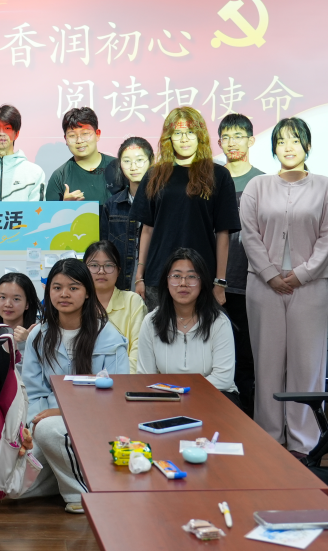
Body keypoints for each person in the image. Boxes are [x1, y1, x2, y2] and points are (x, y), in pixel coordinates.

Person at [241, 117, 328, 457]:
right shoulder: (257, 187)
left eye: (295, 140)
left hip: (309, 287)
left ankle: (305, 441)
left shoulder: (325, 187)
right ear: (273, 148)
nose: (288, 147)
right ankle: (268, 436)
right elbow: (249, 234)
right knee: (267, 364)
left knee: (306, 365)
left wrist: (303, 273)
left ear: (307, 146)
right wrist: (269, 273)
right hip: (263, 285)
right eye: (281, 141)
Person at [20, 258, 129, 513]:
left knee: (49, 430)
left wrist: (61, 413)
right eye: (57, 288)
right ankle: (74, 474)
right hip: (47, 424)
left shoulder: (109, 337)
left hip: (94, 422)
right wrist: (30, 427)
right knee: (13, 488)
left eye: (73, 287)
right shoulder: (38, 335)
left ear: (87, 292)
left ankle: (78, 494)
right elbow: (33, 393)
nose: (64, 294)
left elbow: (116, 396)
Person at [131, 106, 239, 313]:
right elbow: (147, 229)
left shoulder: (218, 175)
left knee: (201, 332)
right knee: (161, 331)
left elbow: (223, 233)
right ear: (169, 138)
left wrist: (220, 281)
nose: (184, 139)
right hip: (158, 276)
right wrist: (139, 276)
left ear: (200, 136)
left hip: (202, 276)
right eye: (177, 133)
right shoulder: (154, 175)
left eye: (190, 132)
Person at [137, 247, 239, 399]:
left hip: (214, 395)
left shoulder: (219, 322)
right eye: (176, 276)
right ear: (166, 281)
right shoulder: (151, 322)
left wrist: (181, 391)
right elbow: (146, 377)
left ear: (202, 282)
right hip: (168, 398)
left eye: (191, 276)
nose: (183, 283)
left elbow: (223, 379)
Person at [217, 113, 263, 412]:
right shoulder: (212, 178)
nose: (232, 142)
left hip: (251, 283)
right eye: (226, 137)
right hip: (214, 284)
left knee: (247, 358)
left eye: (238, 136)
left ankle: (247, 421)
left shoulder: (262, 181)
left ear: (251, 140)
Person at [84, 240, 148, 372]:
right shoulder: (79, 303)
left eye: (108, 265)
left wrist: (122, 380)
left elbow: (139, 349)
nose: (101, 271)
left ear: (118, 271)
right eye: (94, 265)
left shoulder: (132, 301)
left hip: (126, 379)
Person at [100, 136, 153, 290]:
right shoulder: (112, 204)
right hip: (120, 284)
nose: (133, 167)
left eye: (139, 160)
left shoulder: (161, 201)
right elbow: (104, 248)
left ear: (151, 161)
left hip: (154, 282)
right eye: (127, 161)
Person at [46, 107, 119, 204]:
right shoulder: (59, 177)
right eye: (72, 135)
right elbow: (51, 213)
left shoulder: (119, 168)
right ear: (66, 139)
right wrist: (65, 206)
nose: (79, 141)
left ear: (97, 134)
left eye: (85, 134)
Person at [0, 272, 41, 348]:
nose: (8, 304)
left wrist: (25, 343)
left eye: (16, 299)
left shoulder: (39, 332)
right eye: (2, 297)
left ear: (27, 304)